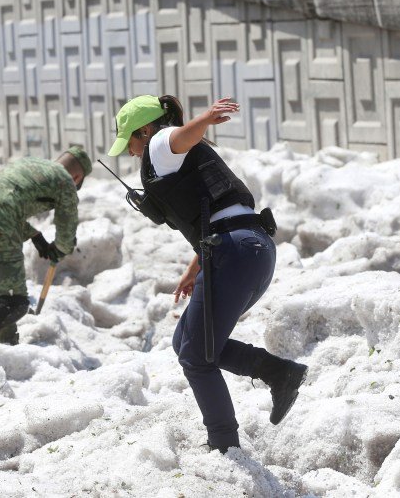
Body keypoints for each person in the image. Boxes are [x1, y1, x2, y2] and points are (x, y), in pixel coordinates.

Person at [107, 94, 307, 453]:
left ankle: (224, 447)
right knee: (185, 340)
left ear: (146, 130)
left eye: (131, 143)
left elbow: (177, 137)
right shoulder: (177, 155)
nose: (132, 152)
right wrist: (193, 267)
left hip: (234, 253)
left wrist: (205, 119)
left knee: (197, 357)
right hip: (252, 249)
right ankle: (278, 372)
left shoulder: (160, 143)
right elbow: (218, 212)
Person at [0, 146, 92, 345]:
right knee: (16, 303)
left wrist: (35, 235)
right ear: (77, 178)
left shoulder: (29, 163)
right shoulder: (64, 181)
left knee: (3, 297)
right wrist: (61, 249)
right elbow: (67, 227)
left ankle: (8, 346)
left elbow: (2, 200)